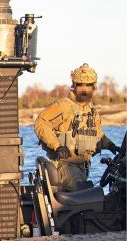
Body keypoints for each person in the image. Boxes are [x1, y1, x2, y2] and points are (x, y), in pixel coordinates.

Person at [34, 63, 118, 191]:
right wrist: (57, 146)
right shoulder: (63, 106)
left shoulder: (91, 111)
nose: (84, 89)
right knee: (84, 192)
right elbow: (41, 122)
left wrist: (111, 145)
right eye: (80, 85)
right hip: (65, 165)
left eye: (88, 85)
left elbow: (98, 134)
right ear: (74, 85)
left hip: (82, 167)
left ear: (94, 86)